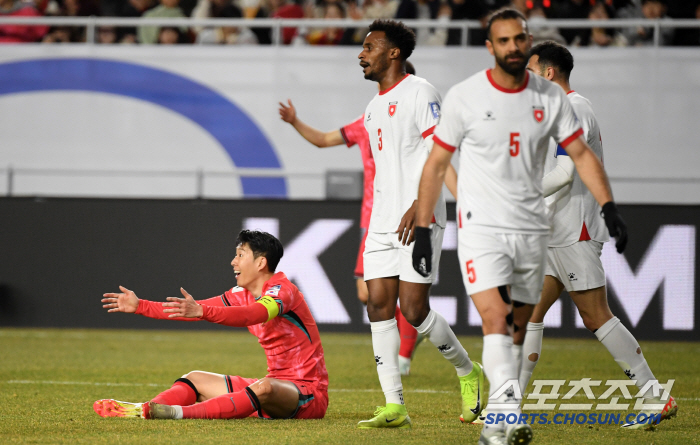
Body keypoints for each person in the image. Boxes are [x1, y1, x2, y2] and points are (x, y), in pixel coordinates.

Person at [411, 8, 628, 445]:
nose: (513, 47)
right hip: (483, 225)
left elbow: (580, 157)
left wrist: (608, 206)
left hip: (533, 227)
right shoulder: (465, 97)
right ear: (490, 46)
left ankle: (505, 411)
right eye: (504, 40)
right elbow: (436, 163)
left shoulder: (552, 100)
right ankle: (500, 423)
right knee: (496, 317)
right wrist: (421, 227)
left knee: (518, 325)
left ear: (528, 43)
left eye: (520, 39)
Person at [513, 40, 677, 430]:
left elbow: (567, 172)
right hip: (551, 229)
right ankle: (511, 405)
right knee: (529, 316)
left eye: (530, 71)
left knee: (594, 315)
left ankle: (655, 395)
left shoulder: (575, 107)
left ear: (548, 73)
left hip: (575, 227)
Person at [355, 19, 483, 429]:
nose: (361, 53)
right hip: (382, 221)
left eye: (369, 46)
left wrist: (421, 204)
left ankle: (468, 372)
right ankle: (394, 405)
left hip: (419, 216)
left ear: (394, 52)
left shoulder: (421, 91)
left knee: (413, 309)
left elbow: (439, 153)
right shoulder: (372, 108)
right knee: (377, 304)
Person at [93, 230, 328, 421]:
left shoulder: (282, 291)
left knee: (264, 388)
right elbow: (190, 309)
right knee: (194, 378)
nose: (233, 261)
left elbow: (253, 314)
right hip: (273, 384)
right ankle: (148, 409)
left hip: (307, 393)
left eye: (240, 255)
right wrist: (140, 305)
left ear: (261, 263)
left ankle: (178, 413)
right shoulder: (241, 293)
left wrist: (202, 311)